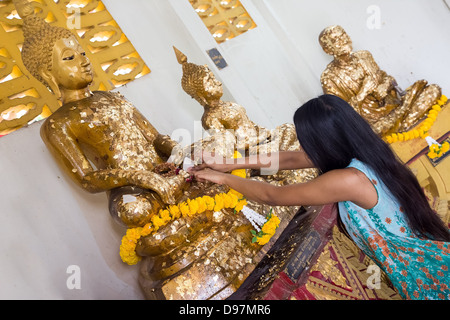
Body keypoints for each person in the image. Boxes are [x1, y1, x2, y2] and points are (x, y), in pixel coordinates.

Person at [190, 94, 450, 300]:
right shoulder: (365, 153)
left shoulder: (348, 180)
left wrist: (223, 178)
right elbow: (290, 158)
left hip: (427, 274)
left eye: (305, 139)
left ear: (324, 141)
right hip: (429, 261)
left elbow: (273, 195)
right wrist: (228, 164)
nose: (302, 146)